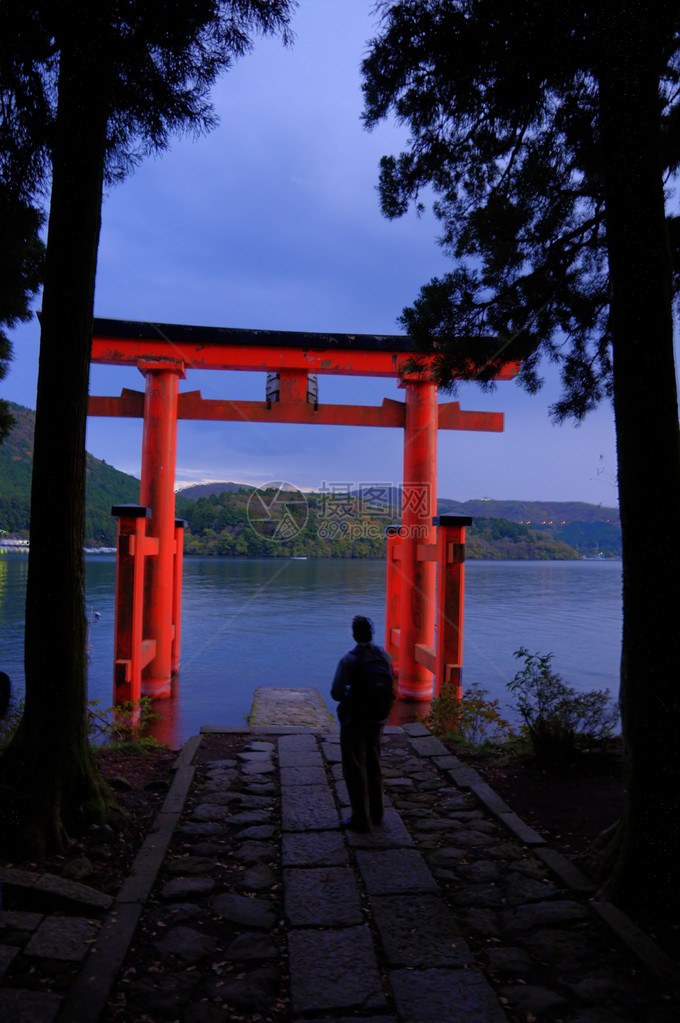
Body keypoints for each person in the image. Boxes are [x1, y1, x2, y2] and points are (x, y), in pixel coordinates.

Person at [331, 615, 395, 832]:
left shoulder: (348, 660)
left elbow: (336, 693)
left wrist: (351, 692)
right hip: (379, 717)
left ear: (354, 635)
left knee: (354, 766)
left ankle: (360, 818)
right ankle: (378, 814)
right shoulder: (385, 656)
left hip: (355, 720)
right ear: (372, 633)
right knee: (374, 762)